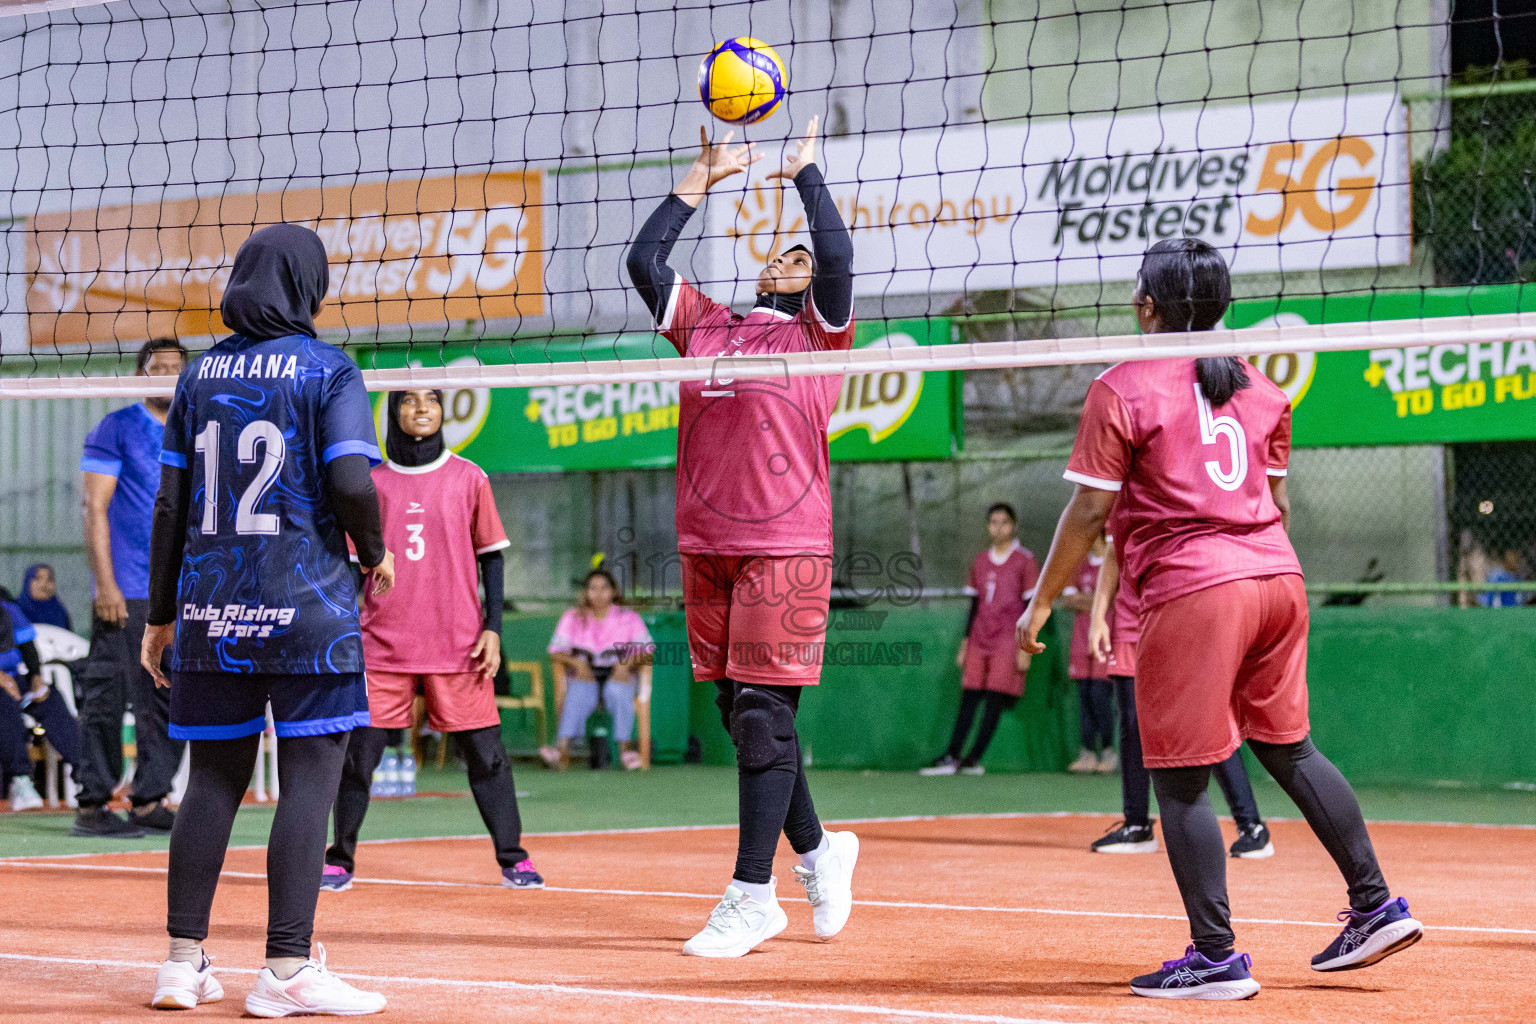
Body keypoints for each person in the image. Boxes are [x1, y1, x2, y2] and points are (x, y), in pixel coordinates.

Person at [1018, 238, 1421, 1000]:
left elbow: (1091, 510)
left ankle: (1215, 957)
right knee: (1292, 749)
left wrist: (1040, 601)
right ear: (1223, 309)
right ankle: (1374, 905)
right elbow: (1280, 504)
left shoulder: (1124, 387)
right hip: (1277, 577)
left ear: (1146, 306)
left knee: (1177, 782)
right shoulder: (1264, 389)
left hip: (1197, 588)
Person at [141, 223, 393, 1015]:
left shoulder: (197, 376)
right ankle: (285, 971)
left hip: (210, 608)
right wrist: (376, 548)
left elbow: (171, 506)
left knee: (212, 778)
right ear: (309, 284)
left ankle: (182, 963)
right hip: (309, 605)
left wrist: (159, 618)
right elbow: (352, 478)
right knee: (311, 778)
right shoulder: (329, 369)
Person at [625, 118, 860, 958]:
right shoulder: (709, 324)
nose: (789, 261)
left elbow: (836, 260)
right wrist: (700, 174)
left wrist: (805, 174)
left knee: (764, 718)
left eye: (799, 259)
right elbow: (643, 264)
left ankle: (751, 895)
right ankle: (823, 853)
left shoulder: (818, 336)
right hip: (705, 544)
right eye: (780, 254)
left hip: (787, 545)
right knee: (740, 714)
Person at [322, 388, 542, 893]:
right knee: (358, 758)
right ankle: (340, 859)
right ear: (392, 411)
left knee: (487, 756)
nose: (421, 408)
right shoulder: (370, 483)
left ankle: (514, 859)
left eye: (432, 400)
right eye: (409, 400)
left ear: (444, 412)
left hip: (458, 644)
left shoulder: (469, 476)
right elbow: (352, 570)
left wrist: (494, 629)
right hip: (382, 646)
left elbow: (492, 557)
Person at [1087, 538, 1273, 859]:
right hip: (1130, 628)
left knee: (1208, 721)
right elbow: (1113, 557)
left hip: (1177, 621)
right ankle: (1137, 826)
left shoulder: (1182, 505)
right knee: (1132, 728)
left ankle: (1251, 826)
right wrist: (1097, 616)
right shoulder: (1120, 502)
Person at [73, 338, 188, 839]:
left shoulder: (197, 427)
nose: (166, 374)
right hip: (128, 589)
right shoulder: (116, 427)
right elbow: (94, 507)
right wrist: (106, 585)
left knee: (170, 697)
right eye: (156, 367)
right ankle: (93, 803)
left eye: (175, 368)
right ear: (140, 374)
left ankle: (149, 799)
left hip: (182, 591)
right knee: (107, 695)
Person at [921, 503, 1037, 776]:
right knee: (970, 694)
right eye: (993, 522)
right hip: (979, 637)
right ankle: (952, 755)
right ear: (988, 526)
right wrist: (965, 642)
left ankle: (973, 760)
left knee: (995, 697)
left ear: (1014, 525)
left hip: (1008, 638)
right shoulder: (981, 560)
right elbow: (974, 605)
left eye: (1004, 522)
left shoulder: (1025, 560)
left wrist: (1026, 645)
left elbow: (1032, 606)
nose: (998, 527)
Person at [542, 568, 654, 772]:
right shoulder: (572, 617)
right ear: (585, 592)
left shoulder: (628, 618)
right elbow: (555, 651)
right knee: (576, 694)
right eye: (592, 588)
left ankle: (625, 752)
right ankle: (562, 751)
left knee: (618, 693)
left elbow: (648, 651)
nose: (598, 594)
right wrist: (577, 663)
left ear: (613, 591)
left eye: (604, 588)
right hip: (585, 676)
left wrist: (626, 663)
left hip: (618, 675)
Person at [0, 586, 82, 810]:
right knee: (4, 702)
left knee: (49, 698)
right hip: (2, 686)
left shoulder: (8, 610)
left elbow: (28, 648)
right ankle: (21, 780)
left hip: (13, 680)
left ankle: (84, 775)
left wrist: (36, 677)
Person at [1064, 538, 1114, 774]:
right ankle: (1087, 753)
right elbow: (1067, 600)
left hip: (1106, 641)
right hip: (1080, 642)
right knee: (1084, 698)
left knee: (1100, 697)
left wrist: (1085, 600)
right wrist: (1099, 600)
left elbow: (1114, 598)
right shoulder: (1079, 565)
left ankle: (1108, 751)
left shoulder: (1114, 563)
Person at [17, 565, 72, 631]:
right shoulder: (15, 610)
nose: (44, 584)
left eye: (50, 579)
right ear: (27, 582)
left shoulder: (59, 612)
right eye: (38, 579)